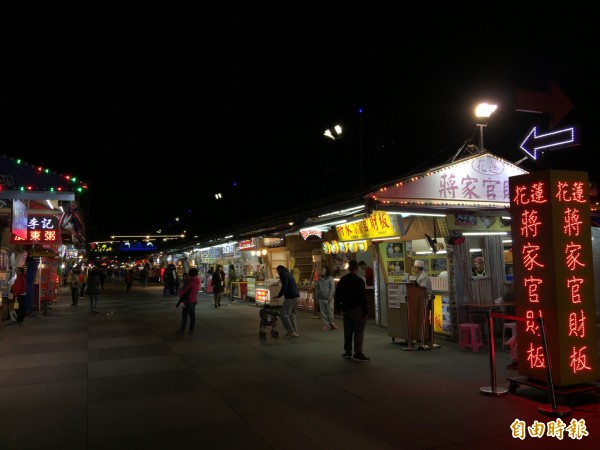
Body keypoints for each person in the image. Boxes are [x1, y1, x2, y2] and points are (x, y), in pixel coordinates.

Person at [335, 260, 369, 361]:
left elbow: (338, 295)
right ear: (357, 269)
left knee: (348, 331)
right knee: (358, 331)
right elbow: (363, 297)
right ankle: (358, 353)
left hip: (346, 308)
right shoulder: (359, 281)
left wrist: (338, 308)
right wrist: (366, 311)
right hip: (357, 309)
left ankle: (347, 351)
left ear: (349, 268)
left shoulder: (343, 280)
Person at [273, 265, 300, 338]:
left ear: (279, 270)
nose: (278, 273)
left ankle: (291, 331)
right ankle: (295, 332)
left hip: (290, 298)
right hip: (296, 296)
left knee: (283, 315)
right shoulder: (289, 273)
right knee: (292, 315)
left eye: (277, 272)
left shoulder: (283, 274)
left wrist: (279, 295)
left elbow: (285, 286)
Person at [176, 267, 201, 334]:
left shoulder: (191, 281)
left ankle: (182, 329)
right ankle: (191, 328)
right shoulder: (197, 281)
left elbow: (184, 290)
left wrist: (180, 289)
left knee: (184, 316)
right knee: (192, 315)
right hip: (194, 300)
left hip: (188, 301)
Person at [315, 266, 337, 331]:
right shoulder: (319, 280)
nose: (321, 271)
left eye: (323, 270)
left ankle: (332, 324)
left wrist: (330, 297)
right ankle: (327, 324)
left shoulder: (330, 279)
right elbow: (318, 289)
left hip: (329, 299)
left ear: (326, 271)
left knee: (330, 312)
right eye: (321, 270)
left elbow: (332, 288)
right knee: (323, 313)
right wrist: (317, 298)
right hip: (321, 298)